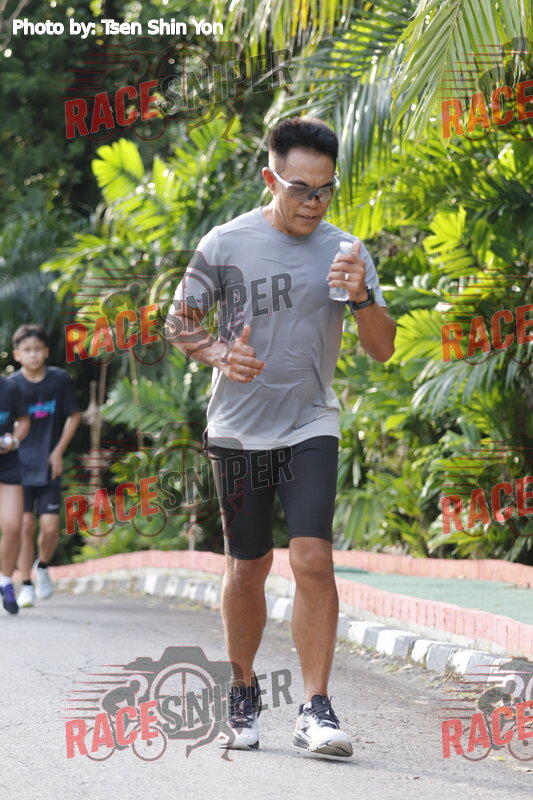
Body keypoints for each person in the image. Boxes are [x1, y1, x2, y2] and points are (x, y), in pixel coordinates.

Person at [165, 117, 396, 758]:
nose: (314, 203)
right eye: (301, 189)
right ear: (271, 179)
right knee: (248, 567)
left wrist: (362, 299)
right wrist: (219, 353)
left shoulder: (347, 251)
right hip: (238, 429)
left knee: (313, 559)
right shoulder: (225, 242)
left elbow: (382, 349)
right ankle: (242, 689)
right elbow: (179, 322)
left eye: (325, 190)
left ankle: (316, 707)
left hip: (310, 420)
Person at [9, 324, 81, 607]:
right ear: (17, 354)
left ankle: (43, 566)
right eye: (27, 350)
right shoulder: (11, 385)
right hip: (18, 466)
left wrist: (57, 452)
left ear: (46, 351)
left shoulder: (58, 380)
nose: (33, 354)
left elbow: (74, 416)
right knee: (25, 526)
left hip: (49, 464)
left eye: (38, 349)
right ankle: (25, 584)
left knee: (50, 526)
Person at [0, 376, 30, 614]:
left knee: (13, 526)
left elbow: (24, 421)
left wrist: (14, 440)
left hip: (8, 464)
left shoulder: (10, 387)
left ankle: (5, 581)